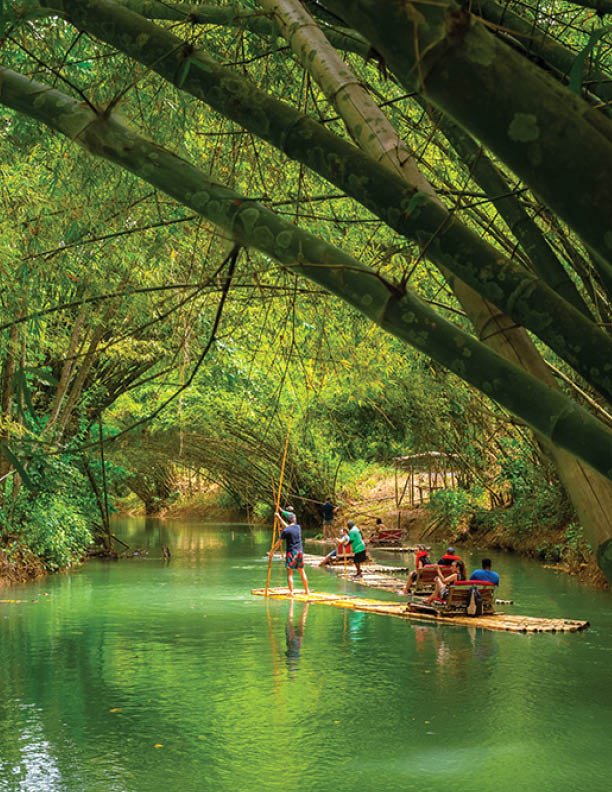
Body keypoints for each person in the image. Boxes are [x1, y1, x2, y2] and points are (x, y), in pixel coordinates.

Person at [273, 510, 309, 596]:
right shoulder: (298, 527)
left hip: (291, 553)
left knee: (290, 574)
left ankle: (291, 592)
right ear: (294, 520)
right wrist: (279, 518)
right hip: (300, 552)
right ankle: (307, 590)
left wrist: (272, 551)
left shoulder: (285, 531)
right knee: (302, 571)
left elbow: (279, 542)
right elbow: (288, 527)